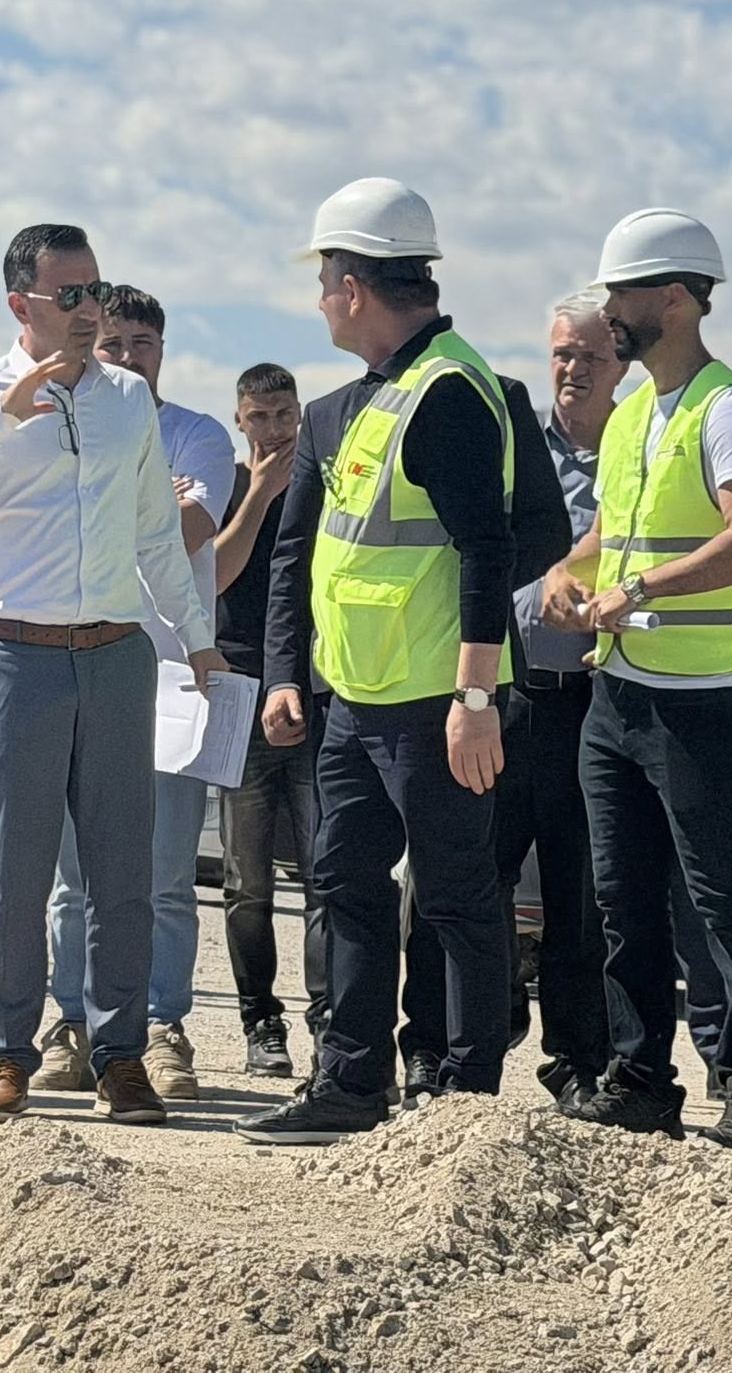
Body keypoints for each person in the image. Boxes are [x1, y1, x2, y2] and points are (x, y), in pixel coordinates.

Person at [0, 225, 225, 1127]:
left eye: (96, 291)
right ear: (21, 304)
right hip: (18, 657)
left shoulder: (128, 398)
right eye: (69, 295)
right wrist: (3, 415)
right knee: (16, 869)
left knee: (124, 871)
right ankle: (8, 1053)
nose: (90, 311)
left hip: (119, 654)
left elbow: (156, 531)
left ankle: (121, 1057)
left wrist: (196, 641)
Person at [236, 178, 515, 1145]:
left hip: (437, 702)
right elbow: (302, 555)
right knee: (343, 885)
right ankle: (350, 1084)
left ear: (353, 288)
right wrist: (287, 674)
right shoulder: (350, 405)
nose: (319, 300)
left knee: (456, 898)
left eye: (324, 282)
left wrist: (475, 695)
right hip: (353, 698)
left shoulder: (448, 393)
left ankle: (468, 1103)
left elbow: (488, 551)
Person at [542, 208, 732, 1149]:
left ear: (677, 299)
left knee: (723, 897)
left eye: (624, 292)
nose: (609, 308)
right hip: (619, 691)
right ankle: (642, 1079)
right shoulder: (635, 414)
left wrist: (639, 588)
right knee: (624, 898)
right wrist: (569, 571)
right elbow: (614, 532)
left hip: (707, 697)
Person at [400, 295, 612, 1108]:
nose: (573, 368)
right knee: (459, 878)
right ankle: (435, 1046)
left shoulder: (635, 453)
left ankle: (577, 1064)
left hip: (589, 704)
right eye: (562, 353)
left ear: (621, 363)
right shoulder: (511, 435)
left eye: (590, 355)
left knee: (580, 897)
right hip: (500, 698)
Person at [40, 286, 236, 1100]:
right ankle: (73, 1022)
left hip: (170, 680)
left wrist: (90, 520)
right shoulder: (57, 423)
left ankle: (161, 1026)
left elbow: (186, 533)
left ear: (162, 349)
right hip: (75, 668)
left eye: (141, 344)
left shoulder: (198, 436)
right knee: (73, 879)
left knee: (164, 878)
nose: (126, 358)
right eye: (112, 344)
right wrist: (137, 511)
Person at [211, 363, 329, 1078]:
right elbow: (212, 577)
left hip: (314, 692)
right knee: (246, 881)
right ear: (239, 420)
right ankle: (261, 1022)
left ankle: (328, 1024)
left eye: (284, 415)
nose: (275, 429)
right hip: (241, 692)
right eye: (259, 417)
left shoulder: (323, 484)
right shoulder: (225, 487)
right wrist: (258, 493)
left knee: (324, 875)